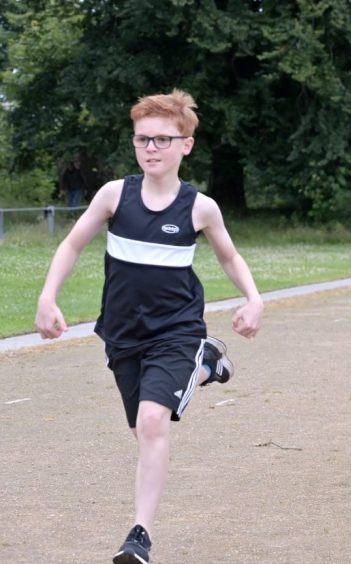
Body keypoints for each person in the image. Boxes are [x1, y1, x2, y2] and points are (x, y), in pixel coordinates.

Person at [34, 89, 264, 563]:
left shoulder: (200, 208)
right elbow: (72, 245)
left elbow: (229, 255)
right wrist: (47, 296)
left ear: (186, 145)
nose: (151, 149)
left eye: (162, 139)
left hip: (177, 330)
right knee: (142, 429)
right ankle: (209, 366)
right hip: (122, 335)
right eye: (143, 140)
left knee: (153, 420)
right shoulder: (114, 195)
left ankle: (139, 535)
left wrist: (254, 298)